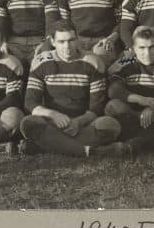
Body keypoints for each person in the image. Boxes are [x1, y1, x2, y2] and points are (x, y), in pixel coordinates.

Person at [18, 22, 128, 157]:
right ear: (52, 41)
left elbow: (96, 108)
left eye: (71, 40)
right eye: (61, 41)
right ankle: (91, 151)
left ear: (77, 39)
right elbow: (30, 103)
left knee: (111, 125)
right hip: (52, 123)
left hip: (83, 123)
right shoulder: (41, 62)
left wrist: (78, 122)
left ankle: (45, 145)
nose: (67, 46)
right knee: (28, 123)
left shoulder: (93, 62)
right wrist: (54, 115)